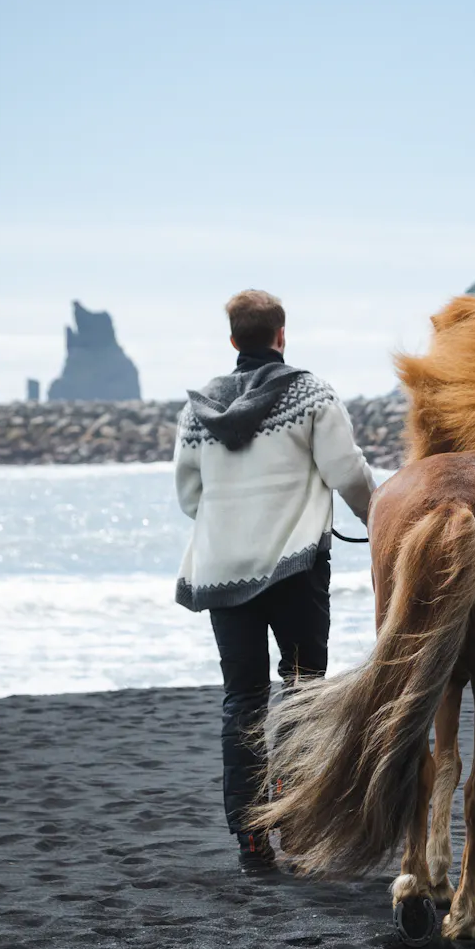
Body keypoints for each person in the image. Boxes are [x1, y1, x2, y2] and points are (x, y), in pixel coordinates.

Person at [175, 289, 377, 867]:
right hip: (295, 572)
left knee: (243, 699)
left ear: (234, 340)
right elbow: (346, 472)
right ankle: (294, 818)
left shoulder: (196, 413)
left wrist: (234, 525)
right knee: (300, 691)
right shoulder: (311, 394)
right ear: (281, 336)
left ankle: (250, 838)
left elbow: (191, 497)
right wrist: (381, 519)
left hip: (223, 578)